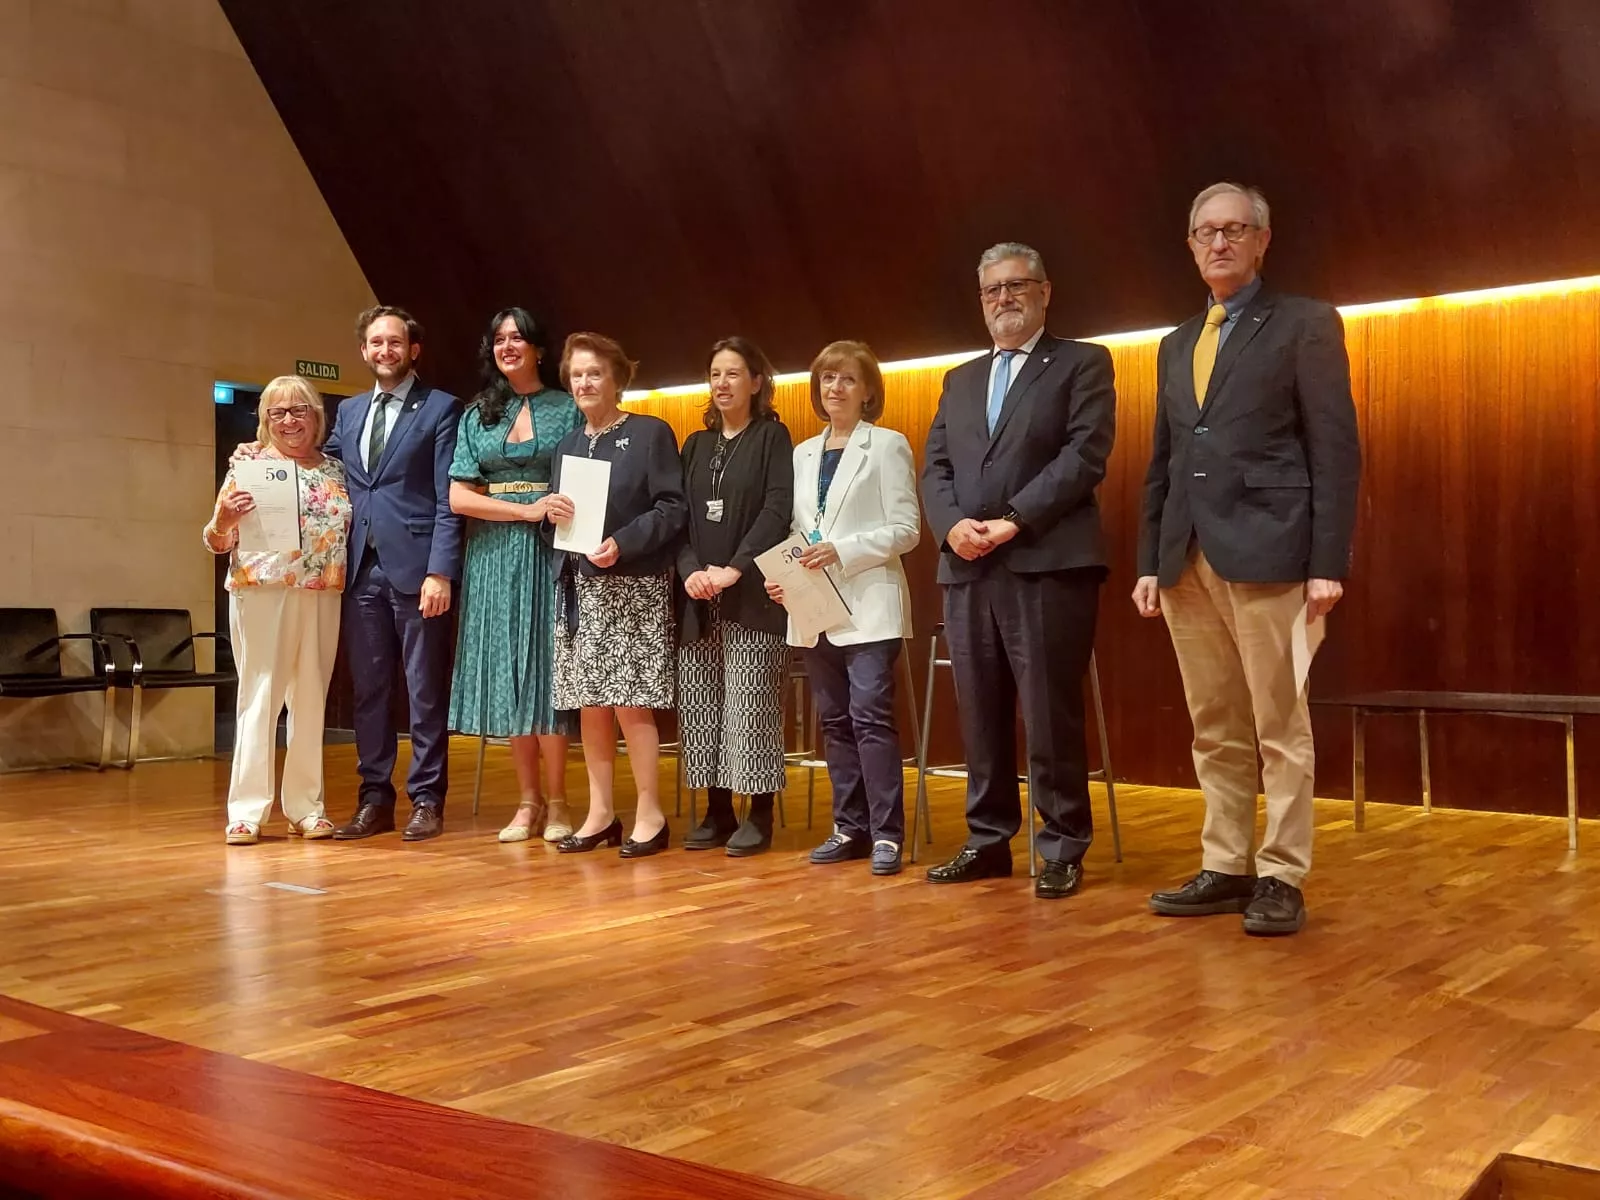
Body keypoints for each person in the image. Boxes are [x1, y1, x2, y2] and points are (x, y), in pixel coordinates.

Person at [1134, 182, 1361, 936]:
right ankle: (1226, 863)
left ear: (1264, 240)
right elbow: (1162, 462)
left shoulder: (1303, 324)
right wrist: (1149, 560)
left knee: (1278, 723)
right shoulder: (1174, 343)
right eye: (1205, 232)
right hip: (1186, 560)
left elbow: (1334, 448)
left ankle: (1282, 874)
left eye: (1234, 230)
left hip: (1273, 553)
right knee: (1214, 724)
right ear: (1192, 245)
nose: (1219, 243)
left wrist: (1328, 559)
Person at [920, 242, 1116, 900]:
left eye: (1017, 286)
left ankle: (1060, 843)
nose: (1004, 298)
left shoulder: (1083, 363)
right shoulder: (960, 379)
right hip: (968, 568)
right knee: (980, 712)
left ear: (1045, 291)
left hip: (1047, 561)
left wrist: (1013, 519)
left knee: (1048, 711)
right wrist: (950, 526)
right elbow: (936, 468)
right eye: (992, 290)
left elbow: (1084, 455)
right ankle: (987, 839)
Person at [766, 340, 919, 877]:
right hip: (815, 606)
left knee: (870, 718)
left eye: (847, 379)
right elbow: (795, 529)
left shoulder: (888, 445)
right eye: (827, 379)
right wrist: (784, 577)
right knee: (832, 721)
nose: (835, 388)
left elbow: (907, 529)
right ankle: (848, 827)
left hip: (869, 601)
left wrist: (845, 549)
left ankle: (887, 835)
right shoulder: (802, 453)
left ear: (869, 391)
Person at [544, 333, 687, 858]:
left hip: (633, 586)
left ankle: (650, 812)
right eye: (577, 374)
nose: (584, 382)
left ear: (617, 379)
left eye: (595, 373)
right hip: (577, 589)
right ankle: (600, 811)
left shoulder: (650, 434)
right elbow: (558, 525)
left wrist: (622, 544)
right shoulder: (566, 445)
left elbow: (672, 508)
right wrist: (550, 516)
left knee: (631, 703)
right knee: (590, 706)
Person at [329, 306, 463, 842]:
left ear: (413, 350)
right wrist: (262, 454)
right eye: (375, 342)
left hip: (417, 570)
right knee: (369, 691)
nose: (385, 351)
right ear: (364, 350)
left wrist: (441, 571)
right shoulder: (348, 412)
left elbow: (447, 501)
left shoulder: (441, 409)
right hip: (360, 568)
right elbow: (322, 467)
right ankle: (374, 799)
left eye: (395, 343)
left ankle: (427, 799)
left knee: (424, 691)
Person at [448, 308, 582, 844]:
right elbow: (459, 495)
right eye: (499, 338)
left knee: (548, 675)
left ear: (539, 349)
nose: (508, 346)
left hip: (552, 552)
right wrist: (524, 511)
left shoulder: (568, 408)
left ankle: (560, 802)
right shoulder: (477, 413)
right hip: (492, 557)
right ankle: (526, 801)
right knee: (510, 673)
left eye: (518, 338)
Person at [205, 377, 351, 844]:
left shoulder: (336, 471)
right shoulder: (247, 466)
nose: (289, 421)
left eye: (299, 410)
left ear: (317, 416)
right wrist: (223, 521)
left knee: (310, 698)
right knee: (260, 696)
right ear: (265, 420)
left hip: (322, 592)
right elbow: (215, 539)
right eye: (278, 413)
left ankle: (307, 807)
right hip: (262, 591)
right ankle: (247, 811)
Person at [677, 338, 794, 856]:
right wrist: (691, 573)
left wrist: (734, 568)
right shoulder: (695, 445)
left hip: (753, 592)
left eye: (734, 373)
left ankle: (760, 811)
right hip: (699, 594)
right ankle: (717, 808)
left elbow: (776, 509)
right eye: (715, 374)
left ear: (756, 382)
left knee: (751, 702)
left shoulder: (772, 436)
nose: (723, 383)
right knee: (702, 702)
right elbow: (677, 518)